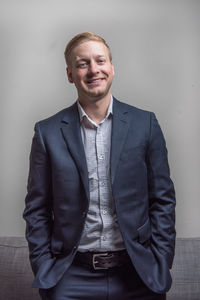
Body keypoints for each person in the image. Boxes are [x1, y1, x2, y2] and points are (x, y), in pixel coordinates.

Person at [23, 32, 176, 300]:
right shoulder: (47, 133)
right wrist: (44, 265)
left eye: (100, 60)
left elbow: (163, 201)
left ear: (112, 67)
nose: (94, 69)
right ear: (71, 74)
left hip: (138, 275)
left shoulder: (145, 124)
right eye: (83, 64)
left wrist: (160, 260)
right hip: (70, 278)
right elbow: (36, 209)